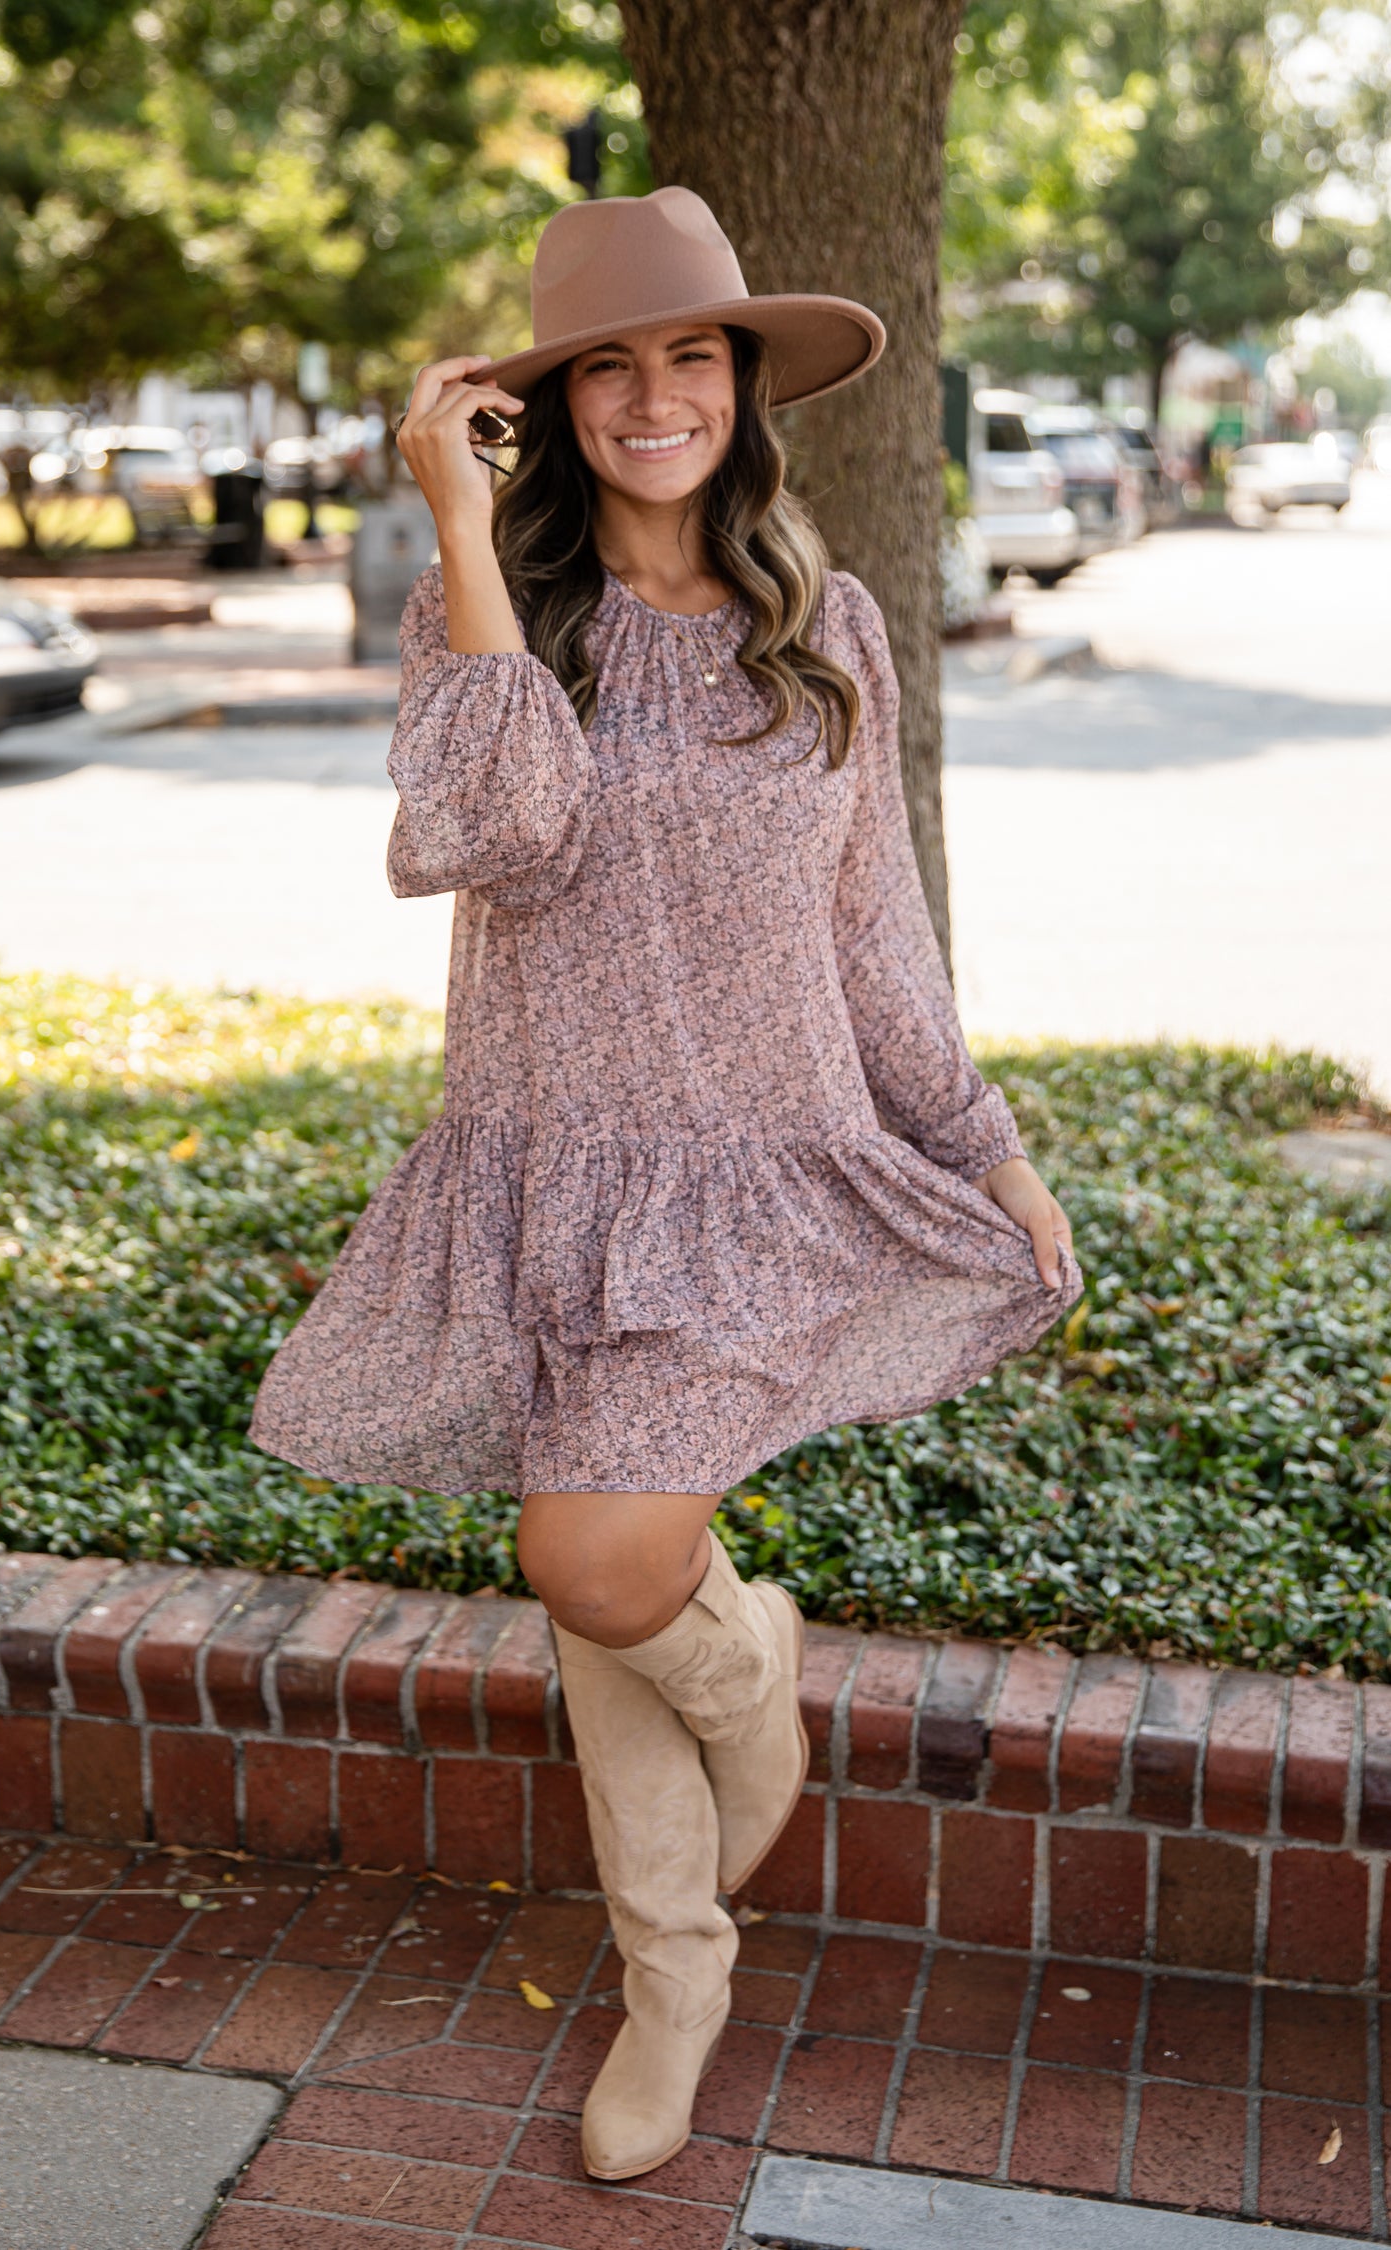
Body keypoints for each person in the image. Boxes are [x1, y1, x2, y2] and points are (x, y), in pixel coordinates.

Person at [251, 186, 1083, 2182]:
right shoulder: (500, 613)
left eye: (689, 355)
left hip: (760, 1179)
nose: (654, 396)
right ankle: (674, 1966)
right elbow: (498, 826)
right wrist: (459, 529)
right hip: (548, 1171)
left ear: (743, 385)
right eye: (606, 364)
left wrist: (990, 1151)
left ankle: (752, 1679)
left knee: (600, 1561)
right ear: (551, 403)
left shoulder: (833, 620)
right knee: (592, 1578)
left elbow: (877, 938)